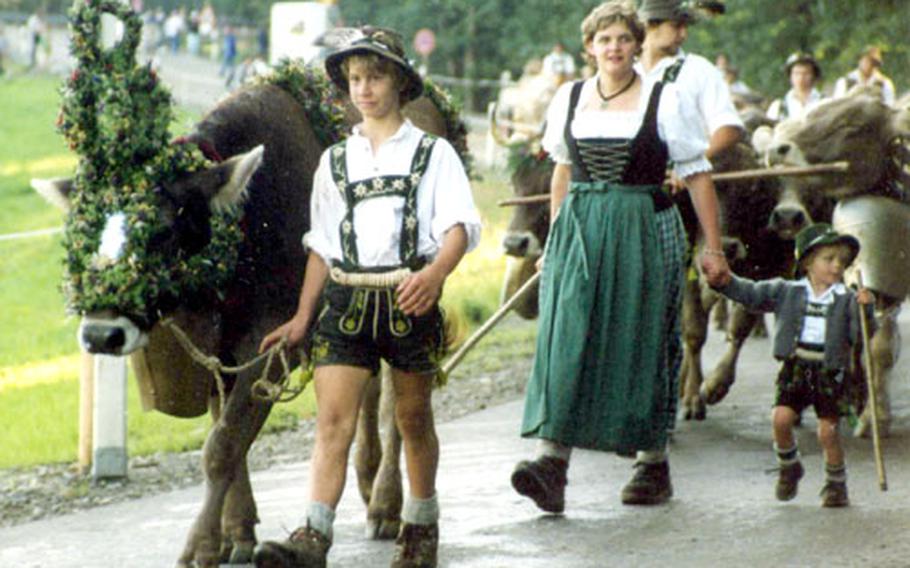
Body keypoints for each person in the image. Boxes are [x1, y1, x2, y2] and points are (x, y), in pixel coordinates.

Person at [252, 26, 481, 568]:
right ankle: (314, 536)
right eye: (355, 78)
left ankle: (421, 527)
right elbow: (322, 248)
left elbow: (459, 226)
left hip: (409, 300)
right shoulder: (335, 162)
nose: (364, 88)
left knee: (412, 418)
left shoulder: (433, 153)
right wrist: (303, 317)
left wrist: (434, 275)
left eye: (374, 76)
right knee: (333, 424)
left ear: (399, 82)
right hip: (346, 302)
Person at [510, 0, 729, 514]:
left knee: (642, 336)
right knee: (566, 335)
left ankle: (652, 462)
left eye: (623, 39)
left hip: (642, 227)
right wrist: (557, 238)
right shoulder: (570, 97)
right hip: (580, 230)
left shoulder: (664, 98)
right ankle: (551, 463)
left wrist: (712, 247)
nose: (613, 48)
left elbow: (697, 174)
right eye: (603, 40)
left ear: (637, 45)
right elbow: (563, 171)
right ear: (590, 48)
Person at [711, 223, 873, 507]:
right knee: (781, 419)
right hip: (796, 368)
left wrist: (866, 309)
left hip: (829, 373)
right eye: (829, 259)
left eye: (842, 262)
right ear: (808, 262)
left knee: (828, 431)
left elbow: (862, 333)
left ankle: (836, 484)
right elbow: (751, 294)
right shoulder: (787, 291)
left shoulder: (847, 300)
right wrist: (726, 283)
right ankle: (789, 466)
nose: (837, 267)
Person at [636, 0, 743, 164]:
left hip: (685, 182)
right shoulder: (626, 71)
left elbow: (729, 129)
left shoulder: (699, 70)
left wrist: (694, 164)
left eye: (686, 27)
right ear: (650, 24)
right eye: (676, 26)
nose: (684, 34)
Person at [766, 52, 825, 122]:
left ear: (813, 76)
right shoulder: (779, 107)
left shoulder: (824, 102)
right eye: (796, 73)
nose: (801, 78)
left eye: (806, 73)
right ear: (790, 76)